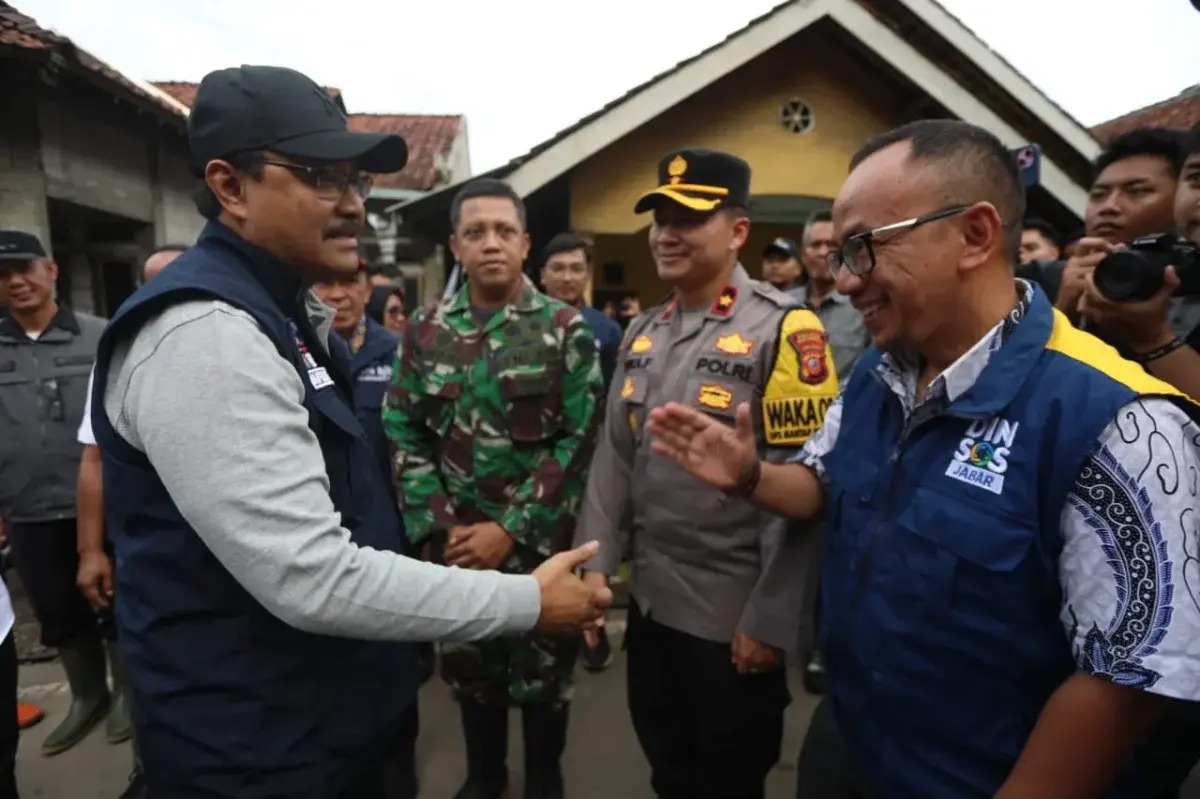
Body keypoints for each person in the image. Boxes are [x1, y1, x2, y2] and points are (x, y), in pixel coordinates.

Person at [89, 65, 611, 798]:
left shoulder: (285, 314)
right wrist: (522, 599)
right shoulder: (209, 333)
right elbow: (313, 573)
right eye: (321, 177)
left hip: (337, 720)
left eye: (357, 182)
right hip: (260, 752)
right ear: (230, 187)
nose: (353, 206)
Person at [646, 120, 1200, 798]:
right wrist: (752, 475)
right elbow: (819, 482)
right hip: (852, 743)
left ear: (974, 233)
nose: (844, 282)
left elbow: (1129, 681)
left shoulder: (1122, 420)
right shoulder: (879, 375)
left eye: (863, 248)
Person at [574, 148, 839, 799]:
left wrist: (771, 618)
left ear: (738, 230)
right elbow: (613, 458)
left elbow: (807, 488)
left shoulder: (785, 328)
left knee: (727, 781)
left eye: (688, 217)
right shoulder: (643, 328)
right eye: (659, 217)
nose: (667, 232)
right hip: (652, 605)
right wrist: (594, 568)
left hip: (733, 616)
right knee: (669, 769)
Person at [385, 178, 603, 799]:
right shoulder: (425, 330)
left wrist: (510, 529)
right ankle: (485, 777)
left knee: (543, 684)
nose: (491, 244)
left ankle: (542, 777)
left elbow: (579, 439)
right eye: (476, 232)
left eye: (504, 231)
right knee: (472, 673)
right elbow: (402, 427)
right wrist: (442, 527)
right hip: (457, 555)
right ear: (456, 244)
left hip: (540, 553)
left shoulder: (566, 330)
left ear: (525, 243)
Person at [1077, 121, 1200, 799]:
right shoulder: (1072, 283)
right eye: (1100, 192)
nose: (1110, 206)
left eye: (1135, 190)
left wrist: (1151, 338)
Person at [76, 243, 184, 799]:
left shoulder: (234, 349)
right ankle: (150, 771)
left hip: (215, 556)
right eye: (151, 283)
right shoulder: (118, 358)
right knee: (152, 673)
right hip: (144, 552)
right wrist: (91, 549)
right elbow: (93, 461)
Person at [0, 229, 110, 756]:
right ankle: (88, 697)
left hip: (105, 501)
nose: (16, 282)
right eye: (3, 275)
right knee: (58, 613)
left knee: (118, 604)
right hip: (27, 506)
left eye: (25, 268)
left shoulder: (100, 336)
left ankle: (131, 696)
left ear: (51, 271)